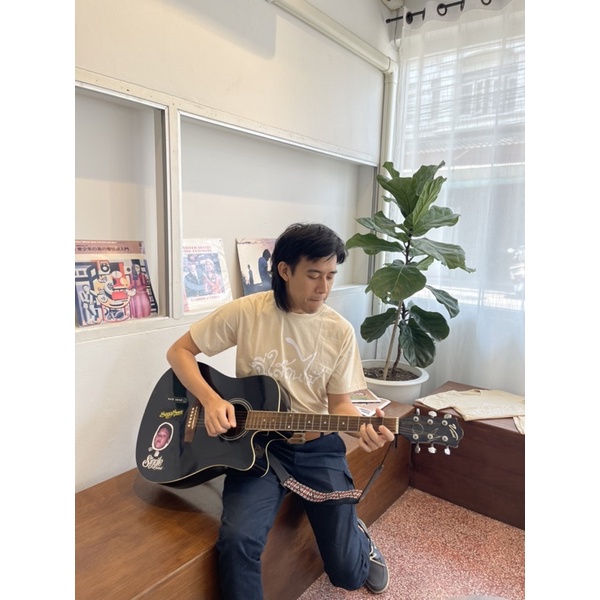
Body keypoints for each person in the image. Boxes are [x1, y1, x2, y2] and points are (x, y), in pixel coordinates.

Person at [166, 223, 394, 599]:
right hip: (255, 448)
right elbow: (179, 352)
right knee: (238, 540)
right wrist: (210, 399)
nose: (324, 288)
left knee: (349, 575)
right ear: (285, 270)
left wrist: (363, 427)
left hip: (317, 448)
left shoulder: (338, 330)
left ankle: (358, 535)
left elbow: (339, 405)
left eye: (331, 275)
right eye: (314, 275)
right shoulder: (247, 312)